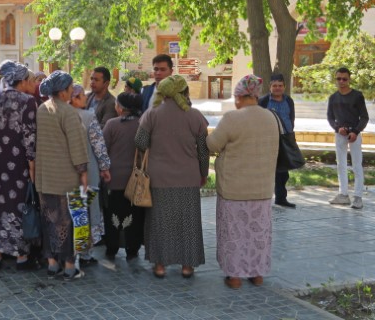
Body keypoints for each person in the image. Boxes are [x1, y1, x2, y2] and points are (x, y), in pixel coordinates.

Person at [206, 74, 279, 289]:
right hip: (262, 188)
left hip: (234, 189)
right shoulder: (270, 117)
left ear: (239, 96)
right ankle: (257, 275)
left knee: (234, 234)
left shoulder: (232, 118)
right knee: (257, 234)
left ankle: (235, 277)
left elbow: (212, 144)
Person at [135, 75, 209, 279]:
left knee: (160, 221)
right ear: (185, 92)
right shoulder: (194, 115)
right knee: (188, 221)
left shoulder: (152, 114)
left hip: (159, 176)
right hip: (188, 176)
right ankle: (187, 266)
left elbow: (140, 142)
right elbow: (203, 150)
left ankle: (160, 265)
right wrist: (203, 173)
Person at [0, 61, 38, 271]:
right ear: (22, 81)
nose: (32, 84)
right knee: (17, 207)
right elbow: (29, 136)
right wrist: (32, 166)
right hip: (17, 165)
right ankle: (21, 258)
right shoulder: (27, 102)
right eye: (30, 80)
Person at [35, 71, 89, 281]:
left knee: (49, 221)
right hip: (67, 178)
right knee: (69, 222)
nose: (71, 92)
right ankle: (68, 266)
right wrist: (83, 173)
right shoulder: (68, 112)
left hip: (44, 177)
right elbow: (77, 146)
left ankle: (51, 264)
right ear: (63, 91)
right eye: (70, 88)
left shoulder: (42, 109)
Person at [69, 84, 111, 264]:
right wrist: (105, 167)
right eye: (82, 96)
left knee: (73, 211)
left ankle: (68, 253)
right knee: (85, 209)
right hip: (88, 170)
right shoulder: (88, 116)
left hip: (65, 171)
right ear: (74, 98)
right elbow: (98, 145)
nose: (86, 98)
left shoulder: (58, 115)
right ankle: (85, 253)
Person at [102, 92, 145, 260]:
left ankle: (112, 247)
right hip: (136, 180)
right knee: (134, 215)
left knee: (113, 214)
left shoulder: (112, 124)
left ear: (120, 108)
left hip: (113, 179)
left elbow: (102, 149)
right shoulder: (142, 124)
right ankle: (132, 249)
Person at [327, 67, 369, 210]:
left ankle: (358, 197)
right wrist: (337, 128)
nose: (341, 81)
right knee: (341, 164)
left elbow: (364, 117)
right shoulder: (333, 97)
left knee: (357, 165)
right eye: (339, 78)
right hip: (340, 134)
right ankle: (343, 194)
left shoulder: (357, 96)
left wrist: (356, 131)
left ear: (349, 79)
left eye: (344, 78)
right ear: (335, 79)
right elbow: (330, 117)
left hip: (354, 134)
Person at [259, 73, 297, 208]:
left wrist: (290, 134)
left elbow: (291, 118)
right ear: (270, 87)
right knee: (267, 171)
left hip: (285, 140)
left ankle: (281, 198)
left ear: (284, 87)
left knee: (283, 172)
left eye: (280, 86)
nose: (277, 88)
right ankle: (262, 198)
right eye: (274, 85)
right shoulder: (263, 102)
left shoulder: (289, 101)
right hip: (268, 141)